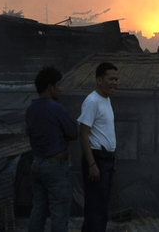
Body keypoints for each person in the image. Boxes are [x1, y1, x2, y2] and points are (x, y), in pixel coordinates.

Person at [26, 67, 77, 232]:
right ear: (50, 87)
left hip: (37, 164)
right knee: (59, 213)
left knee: (38, 210)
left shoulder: (31, 109)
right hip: (55, 166)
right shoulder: (57, 108)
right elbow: (72, 133)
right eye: (59, 85)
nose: (61, 89)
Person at [78, 62, 119, 232]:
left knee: (101, 206)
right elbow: (83, 134)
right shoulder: (92, 101)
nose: (114, 83)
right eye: (111, 79)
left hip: (106, 160)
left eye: (116, 79)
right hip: (97, 160)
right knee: (95, 207)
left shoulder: (106, 99)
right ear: (99, 80)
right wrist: (92, 164)